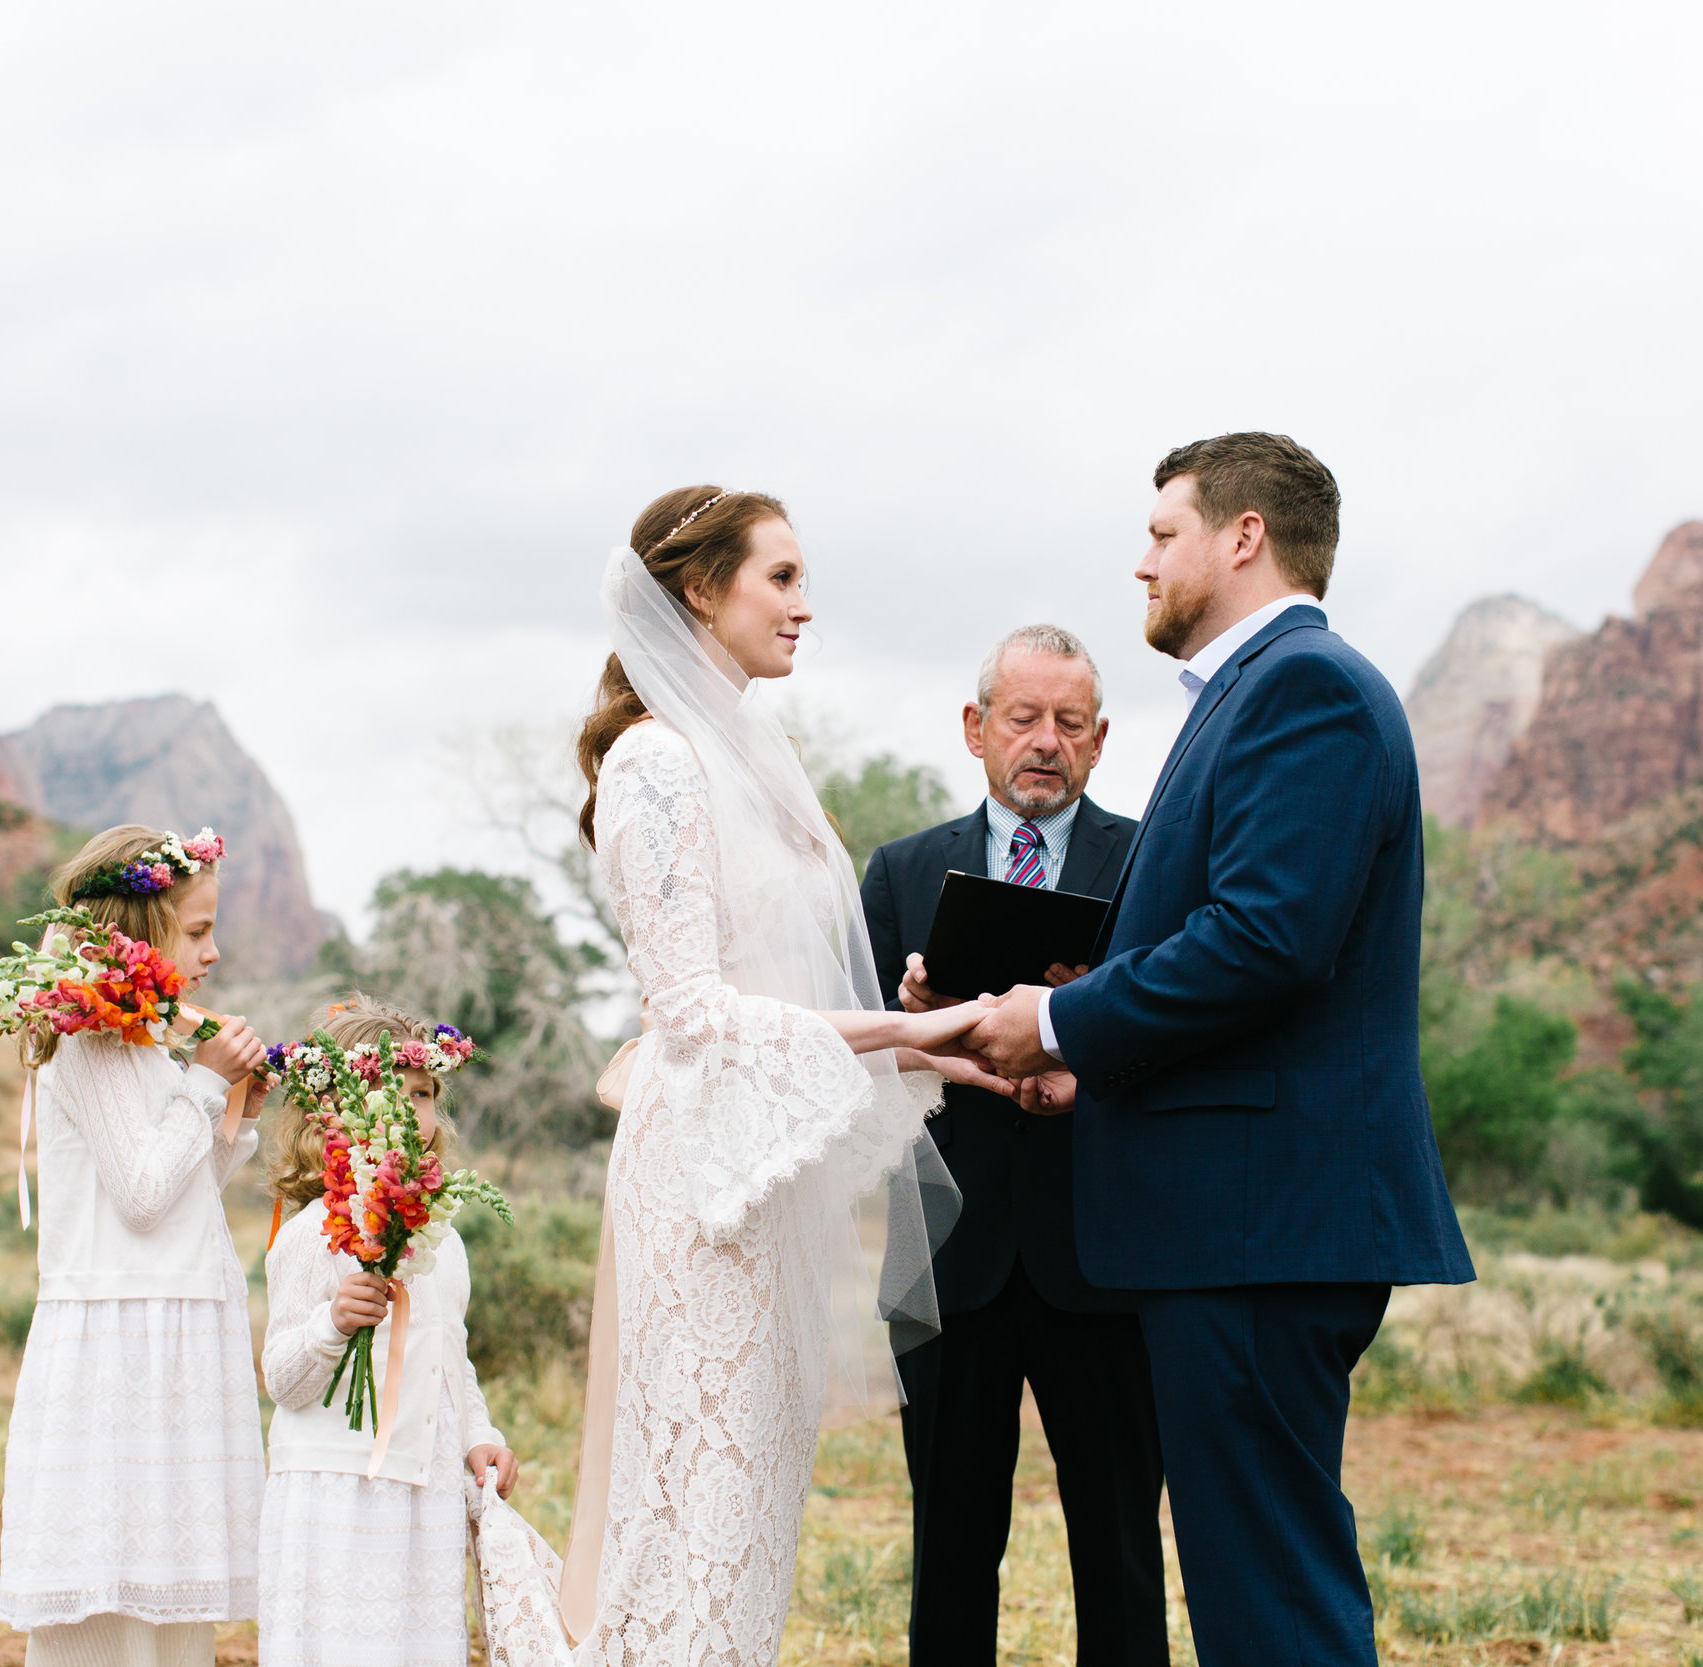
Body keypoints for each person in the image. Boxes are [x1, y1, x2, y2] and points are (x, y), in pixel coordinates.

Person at [965, 435, 1474, 1667]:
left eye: (1161, 531)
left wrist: (1052, 1020)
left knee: (1270, 1598)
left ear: (1243, 535)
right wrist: (1094, 1066)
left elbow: (1264, 940)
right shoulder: (1249, 695)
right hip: (1237, 1220)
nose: (1142, 562)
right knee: (1251, 1585)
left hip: (1261, 1222)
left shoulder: (1306, 689)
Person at [466, 486, 992, 1666]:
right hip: (699, 1177)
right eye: (783, 578)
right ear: (701, 590)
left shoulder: (756, 754)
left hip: (770, 1176)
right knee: (695, 1492)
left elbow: (795, 999)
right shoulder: (655, 760)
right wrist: (935, 1032)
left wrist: (942, 1039)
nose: (806, 605)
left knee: (752, 1493)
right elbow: (694, 1011)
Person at [861, 625, 1166, 1667]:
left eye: (1068, 723)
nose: (1044, 742)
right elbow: (849, 1058)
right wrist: (915, 1021)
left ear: (1099, 739)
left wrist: (1105, 1031)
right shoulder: (899, 872)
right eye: (1022, 717)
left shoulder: (1155, 862)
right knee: (947, 1555)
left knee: (1122, 1553)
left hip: (1109, 1260)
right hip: (943, 1262)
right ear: (974, 727)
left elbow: (1190, 1036)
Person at [0, 825, 271, 1667]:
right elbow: (146, 1195)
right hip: (123, 1348)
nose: (214, 952)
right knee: (110, 1595)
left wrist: (236, 1111)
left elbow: (185, 1189)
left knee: (168, 1604)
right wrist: (207, 1081)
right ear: (136, 936)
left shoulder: (148, 1038)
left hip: (174, 1331)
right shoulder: (90, 1037)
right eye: (196, 931)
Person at [255, 997, 515, 1667]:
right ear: (333, 1116)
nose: (411, 1112)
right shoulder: (315, 1232)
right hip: (336, 1493)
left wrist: (480, 1435)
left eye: (423, 1094)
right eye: (389, 1095)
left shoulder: (439, 1235)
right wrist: (334, 1322)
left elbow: (448, 1360)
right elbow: (282, 1377)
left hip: (420, 1494)